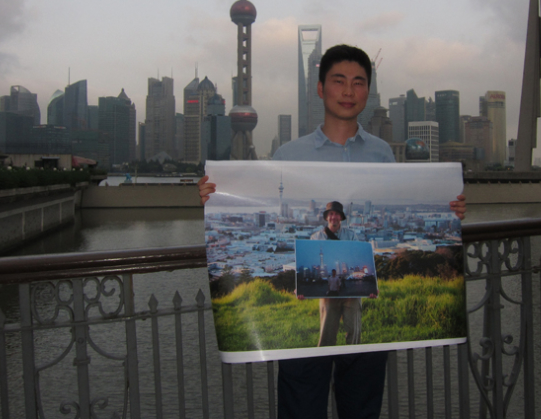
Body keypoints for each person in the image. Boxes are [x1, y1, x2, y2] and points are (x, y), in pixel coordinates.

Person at [198, 44, 466, 419]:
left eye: (359, 82)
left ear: (368, 91)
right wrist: (216, 198)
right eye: (339, 81)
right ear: (321, 88)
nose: (348, 91)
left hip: (357, 290)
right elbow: (263, 206)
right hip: (319, 297)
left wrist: (449, 210)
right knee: (302, 402)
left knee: (362, 403)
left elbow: (394, 215)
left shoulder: (383, 155)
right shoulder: (288, 155)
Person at [311, 201, 364, 348]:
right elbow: (314, 263)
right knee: (327, 334)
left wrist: (371, 288)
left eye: (337, 214)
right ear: (327, 217)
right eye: (331, 214)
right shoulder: (316, 238)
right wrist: (300, 288)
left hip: (351, 295)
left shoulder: (351, 236)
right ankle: (325, 361)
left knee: (354, 333)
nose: (333, 217)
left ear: (341, 217)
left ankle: (352, 360)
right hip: (329, 295)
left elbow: (359, 260)